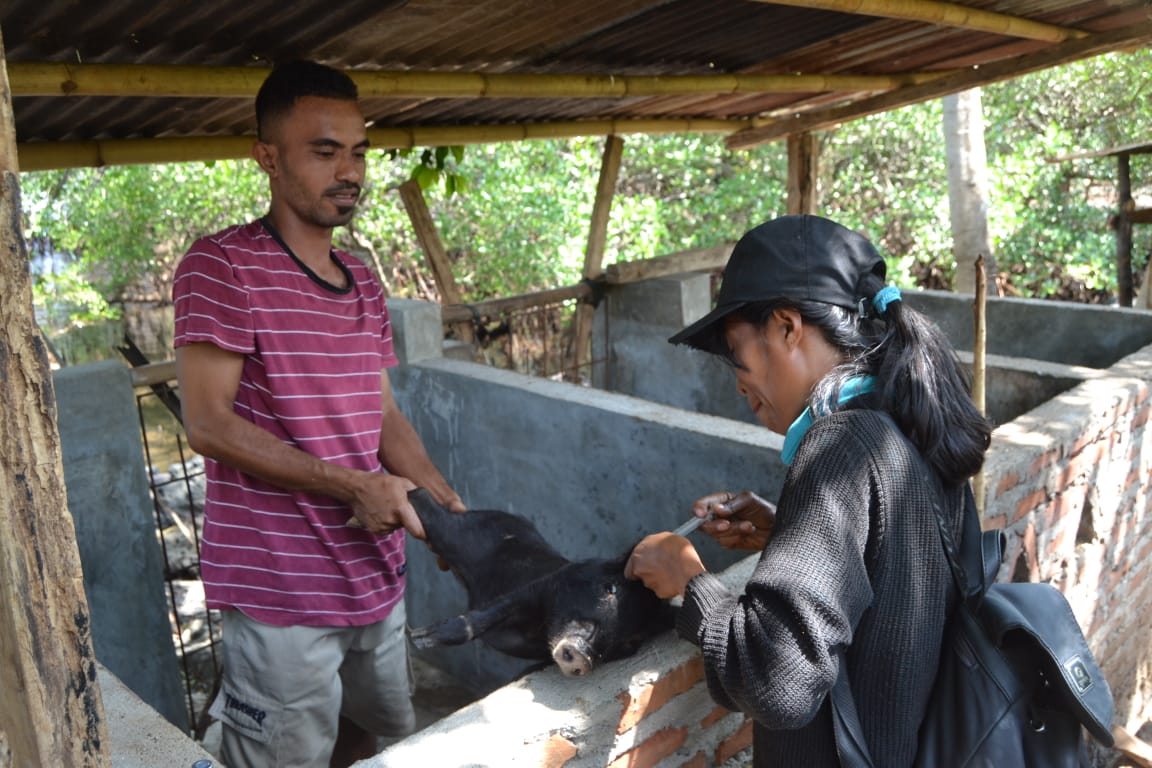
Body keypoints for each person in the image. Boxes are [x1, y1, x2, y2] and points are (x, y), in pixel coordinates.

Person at [172, 60, 464, 768]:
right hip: (281, 592)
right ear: (267, 158)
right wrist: (354, 488)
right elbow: (207, 423)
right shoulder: (222, 267)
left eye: (359, 150)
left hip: (373, 571)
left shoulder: (361, 278)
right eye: (324, 151)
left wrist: (448, 507)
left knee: (366, 735)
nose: (350, 171)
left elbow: (382, 417)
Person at [624, 214, 992, 766]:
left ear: (787, 327)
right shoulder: (907, 422)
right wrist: (788, 528)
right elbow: (892, 574)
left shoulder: (839, 444)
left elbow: (779, 681)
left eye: (734, 351)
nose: (738, 380)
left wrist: (690, 580)